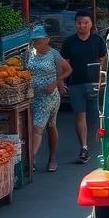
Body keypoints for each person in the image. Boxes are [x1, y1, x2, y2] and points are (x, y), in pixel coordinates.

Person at [59, 10, 106, 165]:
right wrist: (61, 81)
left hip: (93, 84)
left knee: (94, 115)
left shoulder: (97, 40)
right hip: (75, 83)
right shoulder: (69, 42)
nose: (82, 25)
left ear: (91, 24)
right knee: (80, 115)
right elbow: (63, 62)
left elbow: (102, 59)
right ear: (75, 24)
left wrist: (100, 78)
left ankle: (96, 145)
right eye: (79, 23)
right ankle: (84, 147)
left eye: (85, 22)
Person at [28, 31, 71, 172]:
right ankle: (35, 159)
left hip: (49, 96)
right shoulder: (29, 53)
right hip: (32, 96)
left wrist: (56, 82)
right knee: (48, 126)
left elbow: (68, 69)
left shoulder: (54, 54)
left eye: (38, 41)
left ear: (47, 40)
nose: (35, 44)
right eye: (34, 41)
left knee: (38, 127)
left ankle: (33, 158)